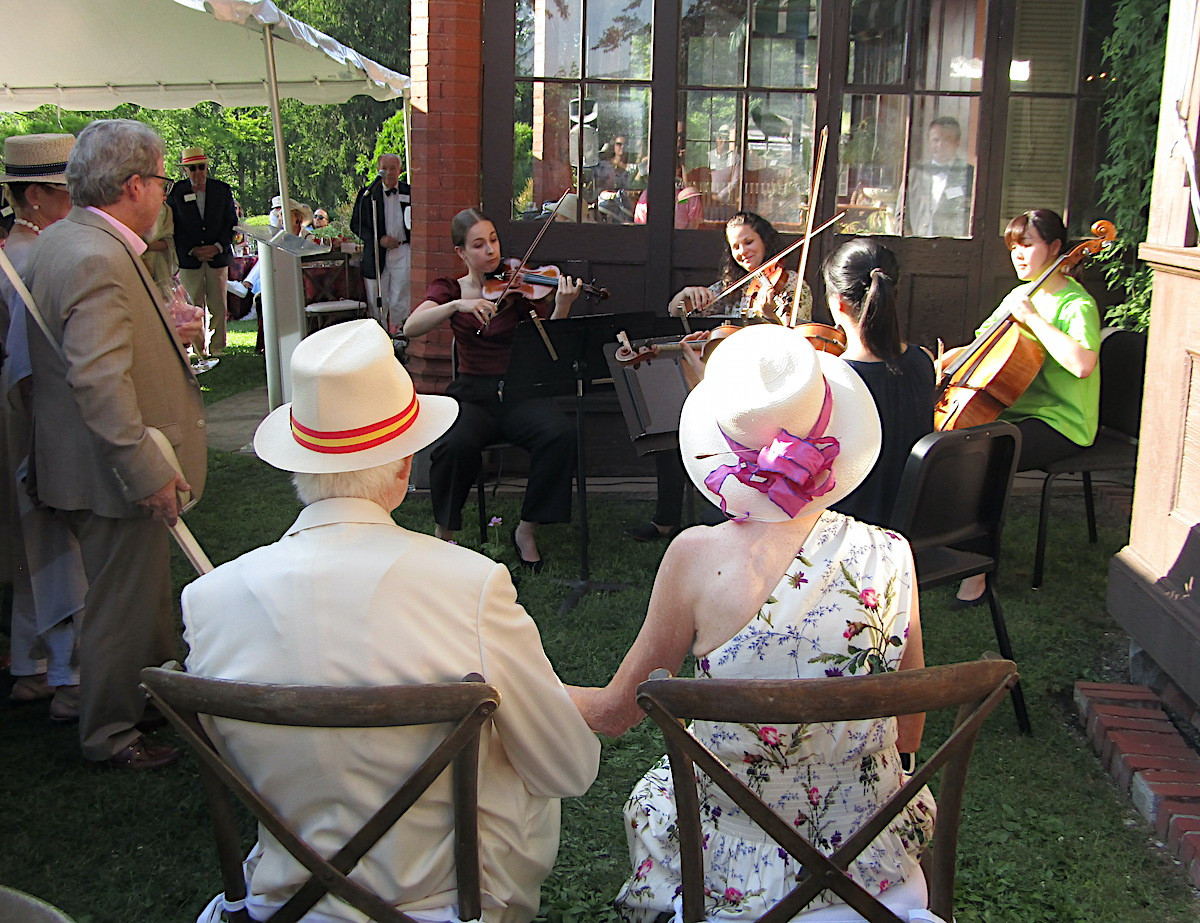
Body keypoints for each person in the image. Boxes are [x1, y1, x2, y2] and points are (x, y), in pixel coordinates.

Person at [183, 320, 599, 923]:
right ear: (405, 467)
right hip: (443, 902)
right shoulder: (471, 585)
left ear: (299, 465)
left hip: (281, 905)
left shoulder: (207, 600)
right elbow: (568, 765)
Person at [571, 324, 937, 923]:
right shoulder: (893, 554)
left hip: (726, 860)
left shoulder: (694, 557)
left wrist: (515, 685)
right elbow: (908, 736)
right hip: (869, 856)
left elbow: (616, 713)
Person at [25, 119, 207, 770]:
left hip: (92, 462)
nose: (165, 194)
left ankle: (148, 697)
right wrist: (144, 466)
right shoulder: (96, 254)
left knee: (140, 593)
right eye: (161, 180)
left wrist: (171, 337)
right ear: (134, 184)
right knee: (118, 605)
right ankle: (110, 731)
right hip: (111, 469)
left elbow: (103, 349)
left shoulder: (70, 239)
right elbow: (99, 378)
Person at [403, 208, 581, 570]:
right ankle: (445, 533)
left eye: (494, 240)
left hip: (519, 393)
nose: (491, 251)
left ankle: (526, 529)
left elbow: (549, 346)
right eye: (479, 245)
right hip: (473, 395)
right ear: (461, 253)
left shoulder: (518, 290)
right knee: (454, 446)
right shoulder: (450, 289)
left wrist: (561, 305)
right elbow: (411, 328)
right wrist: (457, 305)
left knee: (559, 434)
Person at [629, 211, 814, 542]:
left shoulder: (792, 287)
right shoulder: (729, 289)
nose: (743, 251)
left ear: (765, 241)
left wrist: (772, 314)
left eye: (749, 242)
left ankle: (731, 512)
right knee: (672, 423)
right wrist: (682, 298)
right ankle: (666, 518)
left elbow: (794, 346)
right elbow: (679, 314)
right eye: (736, 246)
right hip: (721, 379)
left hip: (765, 391)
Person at [952, 207, 1100, 605]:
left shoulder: (1075, 305)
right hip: (1014, 411)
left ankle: (980, 569)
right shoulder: (1021, 294)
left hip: (1062, 422)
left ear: (1055, 248)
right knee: (954, 444)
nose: (1018, 254)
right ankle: (948, 545)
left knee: (986, 456)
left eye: (1027, 245)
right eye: (1013, 246)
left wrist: (1034, 319)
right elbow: (982, 343)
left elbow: (1082, 364)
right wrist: (945, 361)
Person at [0, 133, 83, 722]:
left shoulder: (19, 252)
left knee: (35, 544)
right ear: (34, 196)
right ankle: (69, 672)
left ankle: (31, 667)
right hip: (37, 414)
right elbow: (30, 366)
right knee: (57, 545)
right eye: (65, 192)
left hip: (26, 411)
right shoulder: (30, 259)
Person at [825, 240, 935, 527]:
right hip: (909, 526)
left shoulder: (832, 379)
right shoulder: (923, 361)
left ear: (837, 303)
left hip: (846, 533)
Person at [167, 146, 238, 358]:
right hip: (190, 259)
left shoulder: (222, 189)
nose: (197, 172)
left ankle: (218, 346)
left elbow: (231, 225)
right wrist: (193, 250)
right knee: (192, 305)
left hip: (217, 257)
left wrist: (216, 247)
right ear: (185, 171)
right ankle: (199, 350)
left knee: (218, 304)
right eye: (192, 168)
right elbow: (173, 227)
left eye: (201, 167)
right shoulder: (176, 192)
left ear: (206, 167)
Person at [351, 152, 411, 331]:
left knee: (401, 295)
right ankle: (380, 333)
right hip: (378, 253)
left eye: (393, 168)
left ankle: (401, 334)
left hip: (403, 250)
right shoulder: (368, 194)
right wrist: (378, 239)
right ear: (378, 170)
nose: (388, 172)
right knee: (378, 296)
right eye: (384, 168)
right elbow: (356, 224)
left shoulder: (410, 192)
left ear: (400, 171)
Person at [905, 116, 973, 238]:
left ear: (957, 142)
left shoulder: (970, 175)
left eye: (946, 140)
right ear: (929, 142)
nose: (940, 145)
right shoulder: (915, 175)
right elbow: (901, 215)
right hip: (918, 245)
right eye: (935, 140)